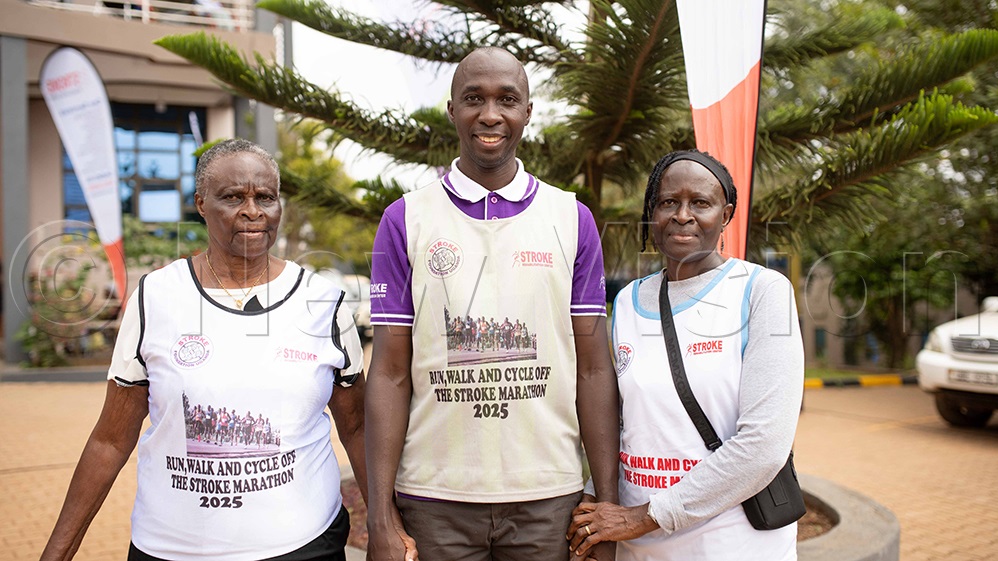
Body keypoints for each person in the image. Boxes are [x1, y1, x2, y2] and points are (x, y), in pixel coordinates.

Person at [40, 139, 368, 561]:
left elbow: (357, 427)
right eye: (233, 197)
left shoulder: (325, 302)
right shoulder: (155, 297)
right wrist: (57, 552)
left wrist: (384, 523)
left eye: (265, 197)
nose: (252, 211)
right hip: (171, 550)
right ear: (200, 203)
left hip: (303, 547)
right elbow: (110, 439)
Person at [366, 47, 620, 561]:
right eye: (473, 99)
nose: (490, 114)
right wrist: (379, 516)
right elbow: (390, 373)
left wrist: (609, 508)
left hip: (547, 495)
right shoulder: (404, 219)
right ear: (452, 110)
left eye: (507, 99)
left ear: (527, 111)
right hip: (434, 497)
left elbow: (593, 370)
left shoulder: (571, 218)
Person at [565, 150, 804, 560]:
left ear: (725, 215)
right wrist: (596, 504)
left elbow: (764, 445)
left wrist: (645, 515)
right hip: (640, 547)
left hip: (732, 543)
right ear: (651, 213)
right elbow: (622, 422)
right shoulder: (627, 302)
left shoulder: (762, 291)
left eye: (701, 203)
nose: (682, 215)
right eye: (668, 202)